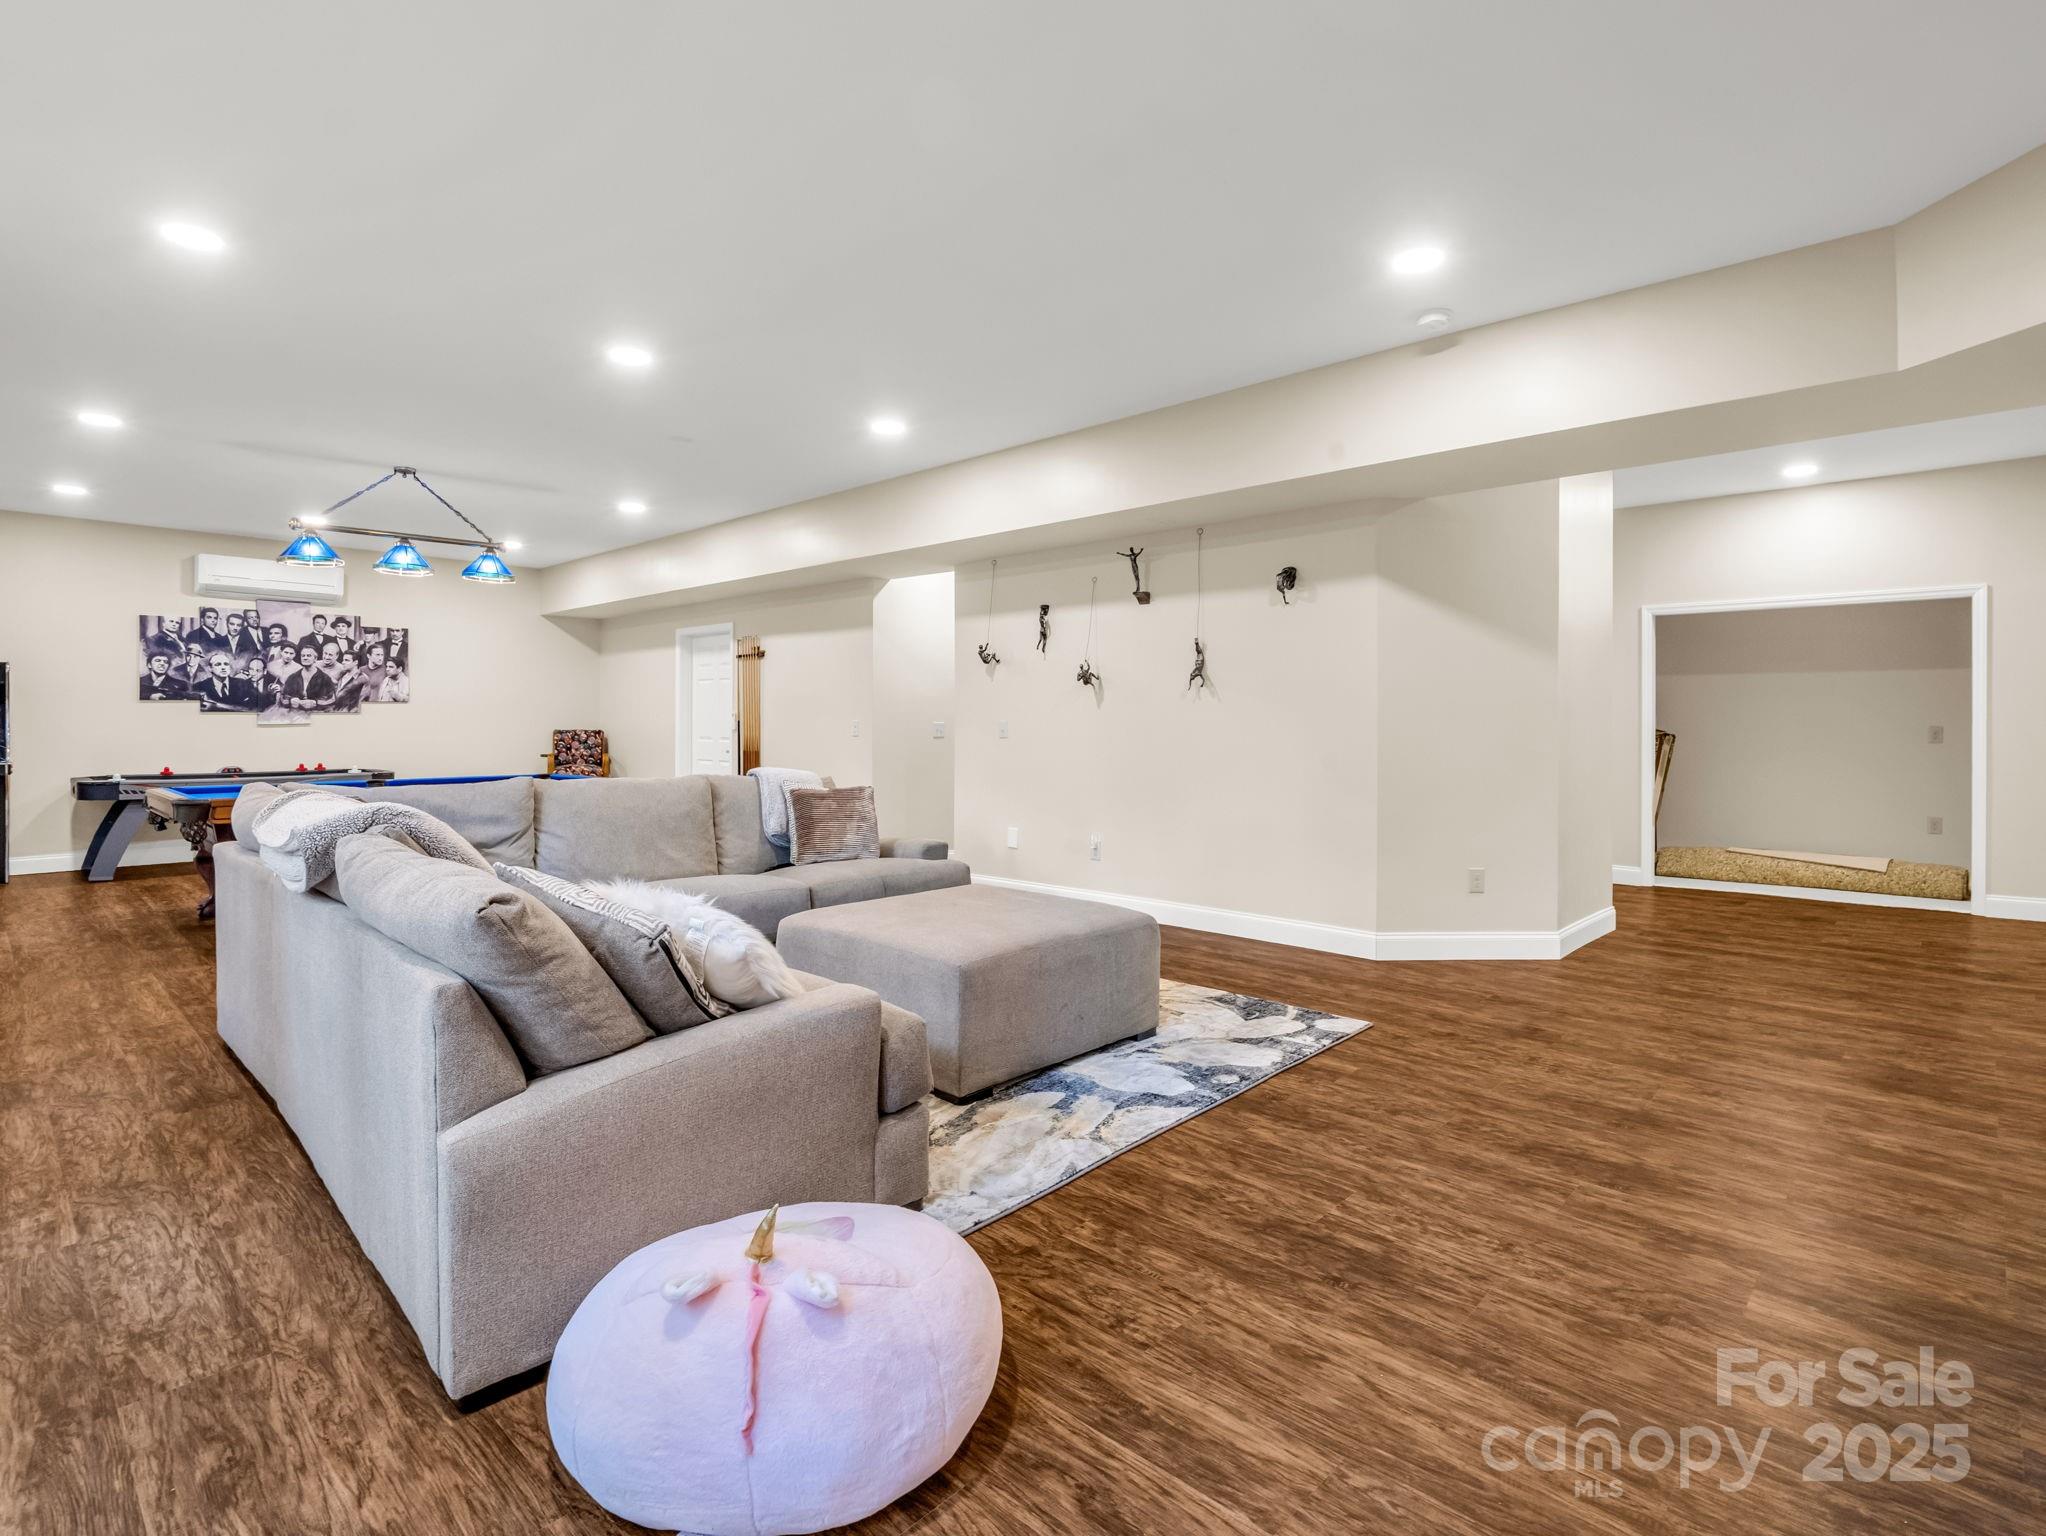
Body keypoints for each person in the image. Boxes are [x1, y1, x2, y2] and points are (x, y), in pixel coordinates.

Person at [281, 640, 334, 711]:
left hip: (316, 714)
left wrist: (315, 702)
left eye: (309, 656)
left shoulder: (325, 678)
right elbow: (284, 697)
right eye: (303, 656)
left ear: (315, 659)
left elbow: (331, 699)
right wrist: (291, 700)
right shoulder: (293, 677)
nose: (305, 658)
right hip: (294, 713)